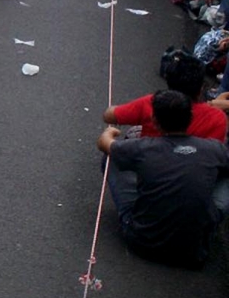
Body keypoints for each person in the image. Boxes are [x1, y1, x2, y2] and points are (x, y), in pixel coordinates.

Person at [97, 90, 229, 268]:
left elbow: (104, 143)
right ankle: (198, 223)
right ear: (189, 118)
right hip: (194, 252)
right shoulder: (214, 149)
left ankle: (137, 215)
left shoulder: (143, 147)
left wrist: (111, 133)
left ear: (156, 122)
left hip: (142, 243)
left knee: (112, 157)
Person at [104, 50, 227, 141]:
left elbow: (109, 116)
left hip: (148, 165)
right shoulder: (217, 118)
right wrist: (211, 105)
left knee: (132, 133)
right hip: (194, 172)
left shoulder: (151, 103)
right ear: (200, 89)